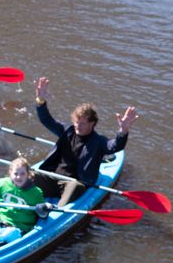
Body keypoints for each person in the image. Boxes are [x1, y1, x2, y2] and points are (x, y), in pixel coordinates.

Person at [33, 76, 138, 206]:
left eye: (82, 123)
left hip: (74, 183)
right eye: (76, 122)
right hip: (53, 177)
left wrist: (123, 131)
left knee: (74, 186)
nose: (78, 126)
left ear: (92, 123)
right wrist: (40, 101)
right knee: (30, 175)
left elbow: (115, 146)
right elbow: (46, 120)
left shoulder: (99, 141)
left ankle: (57, 209)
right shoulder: (67, 130)